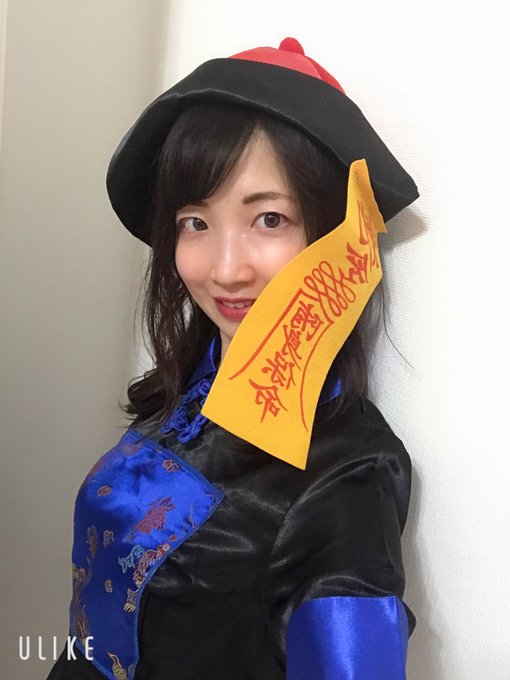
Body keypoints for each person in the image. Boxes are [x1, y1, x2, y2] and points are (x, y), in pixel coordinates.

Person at [48, 37, 419, 680]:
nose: (225, 270)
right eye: (195, 222)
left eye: (269, 219)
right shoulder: (181, 399)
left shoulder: (345, 478)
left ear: (338, 238)